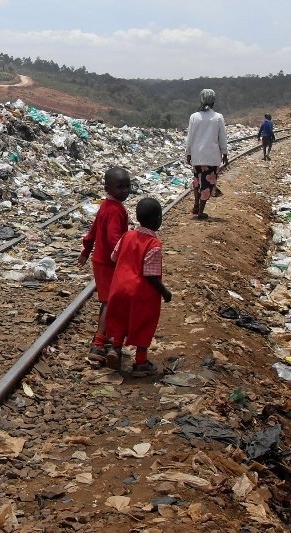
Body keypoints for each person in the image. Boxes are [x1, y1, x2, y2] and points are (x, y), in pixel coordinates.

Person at [104, 197, 172, 377]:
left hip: (119, 288)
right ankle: (141, 362)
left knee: (119, 318)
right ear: (158, 219)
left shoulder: (127, 236)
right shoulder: (154, 245)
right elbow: (150, 274)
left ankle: (115, 349)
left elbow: (113, 257)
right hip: (141, 293)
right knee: (144, 323)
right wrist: (164, 291)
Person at [77, 167, 131, 369]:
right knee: (110, 301)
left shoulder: (106, 206)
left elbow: (93, 230)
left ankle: (108, 339)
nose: (125, 190)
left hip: (100, 259)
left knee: (107, 300)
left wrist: (86, 250)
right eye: (120, 187)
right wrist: (127, 257)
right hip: (109, 262)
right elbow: (113, 239)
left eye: (128, 186)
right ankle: (99, 343)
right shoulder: (116, 210)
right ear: (108, 187)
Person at [185, 89, 228, 220]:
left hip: (197, 157)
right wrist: (224, 153)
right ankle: (201, 211)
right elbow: (222, 138)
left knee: (197, 182)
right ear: (213, 100)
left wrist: (188, 153)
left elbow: (190, 137)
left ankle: (196, 204)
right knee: (207, 185)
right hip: (211, 158)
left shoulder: (194, 117)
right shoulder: (218, 117)